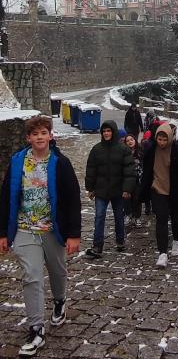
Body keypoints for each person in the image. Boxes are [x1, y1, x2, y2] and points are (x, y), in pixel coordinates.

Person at [0, 115, 81, 357]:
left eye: (43, 133)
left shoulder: (60, 163)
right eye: (34, 134)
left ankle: (59, 301)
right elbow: (5, 198)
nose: (39, 137)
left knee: (58, 272)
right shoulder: (17, 162)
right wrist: (3, 232)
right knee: (32, 276)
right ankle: (36, 328)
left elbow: (73, 198)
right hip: (25, 229)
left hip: (52, 230)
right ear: (28, 138)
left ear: (50, 135)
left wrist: (74, 234)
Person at [140, 122, 178, 267]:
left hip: (175, 191)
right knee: (161, 219)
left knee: (176, 217)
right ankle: (162, 253)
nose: (162, 143)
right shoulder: (151, 150)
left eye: (165, 140)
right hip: (157, 189)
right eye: (159, 139)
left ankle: (177, 240)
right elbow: (146, 169)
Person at [85, 120, 135, 257]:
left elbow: (129, 171)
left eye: (109, 131)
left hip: (117, 190)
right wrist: (90, 188)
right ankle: (97, 246)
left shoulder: (123, 149)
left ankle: (120, 242)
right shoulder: (96, 149)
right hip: (101, 190)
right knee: (99, 216)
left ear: (113, 132)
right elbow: (91, 170)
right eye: (104, 131)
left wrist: (127, 189)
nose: (106, 133)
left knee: (119, 216)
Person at [123, 134, 143, 227]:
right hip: (127, 179)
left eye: (132, 139)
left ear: (135, 140)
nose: (130, 142)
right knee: (127, 198)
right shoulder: (124, 153)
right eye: (128, 141)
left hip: (138, 178)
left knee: (137, 198)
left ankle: (137, 216)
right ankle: (128, 214)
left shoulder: (140, 151)